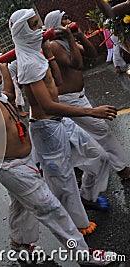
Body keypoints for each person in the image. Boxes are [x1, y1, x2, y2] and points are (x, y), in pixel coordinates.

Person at [0, 10, 116, 265]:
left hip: (27, 158)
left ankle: (20, 244)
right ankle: (84, 255)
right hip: (11, 166)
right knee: (51, 208)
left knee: (21, 207)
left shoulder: (1, 97)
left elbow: (7, 82)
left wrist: (3, 67)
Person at [10, 8, 118, 234]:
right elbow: (47, 105)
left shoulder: (37, 54)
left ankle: (88, 197)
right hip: (46, 129)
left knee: (99, 157)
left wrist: (47, 53)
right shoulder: (27, 63)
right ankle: (79, 227)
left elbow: (57, 80)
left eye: (38, 23)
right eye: (32, 25)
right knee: (64, 181)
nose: (39, 28)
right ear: (22, 31)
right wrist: (92, 112)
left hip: (62, 121)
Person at [44, 10, 130, 181]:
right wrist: (70, 38)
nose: (69, 21)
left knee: (84, 138)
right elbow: (76, 64)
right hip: (68, 100)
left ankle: (79, 172)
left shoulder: (67, 41)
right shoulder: (54, 46)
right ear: (56, 26)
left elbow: (92, 54)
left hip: (79, 96)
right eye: (64, 20)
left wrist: (80, 36)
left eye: (68, 18)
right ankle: (122, 168)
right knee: (101, 130)